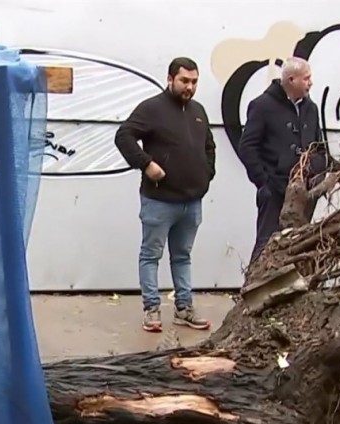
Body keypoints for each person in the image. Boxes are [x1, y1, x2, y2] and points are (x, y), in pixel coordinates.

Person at [114, 57, 216, 333]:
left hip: (192, 201)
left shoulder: (198, 111)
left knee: (182, 256)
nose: (189, 87)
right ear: (170, 79)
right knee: (151, 256)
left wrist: (207, 174)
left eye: (194, 82)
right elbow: (123, 136)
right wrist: (146, 163)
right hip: (159, 201)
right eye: (184, 81)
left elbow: (209, 145)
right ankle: (151, 309)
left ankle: (184, 308)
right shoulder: (152, 109)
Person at [237, 56, 328, 264]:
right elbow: (248, 146)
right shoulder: (262, 106)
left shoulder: (310, 109)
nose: (310, 83)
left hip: (304, 192)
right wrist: (263, 182)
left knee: (299, 244)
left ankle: (290, 293)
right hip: (275, 190)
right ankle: (253, 291)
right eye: (306, 78)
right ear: (291, 80)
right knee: (266, 244)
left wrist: (316, 172)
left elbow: (320, 147)